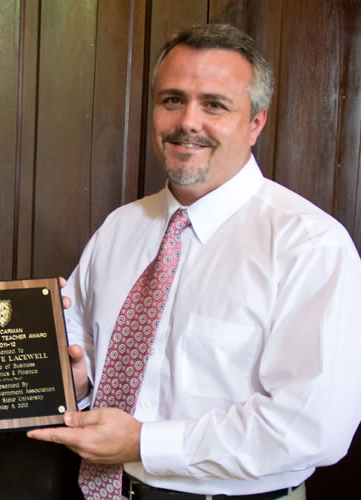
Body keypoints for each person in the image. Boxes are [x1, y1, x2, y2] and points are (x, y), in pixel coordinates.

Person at [28, 23, 361, 500]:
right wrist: (78, 381)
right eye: (172, 100)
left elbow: (311, 426)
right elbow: (81, 348)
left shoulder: (309, 246)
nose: (188, 121)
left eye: (214, 105)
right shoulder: (120, 229)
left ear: (256, 123)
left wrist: (145, 443)